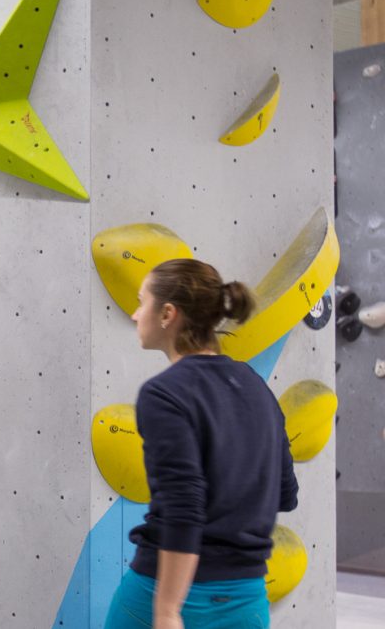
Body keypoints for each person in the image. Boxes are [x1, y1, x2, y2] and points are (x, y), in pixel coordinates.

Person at [104, 258, 299, 629]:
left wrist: (166, 610)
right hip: (246, 601)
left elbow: (183, 506)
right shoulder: (257, 387)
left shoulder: (164, 394)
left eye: (141, 301)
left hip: (162, 595)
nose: (134, 314)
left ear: (167, 314)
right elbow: (285, 494)